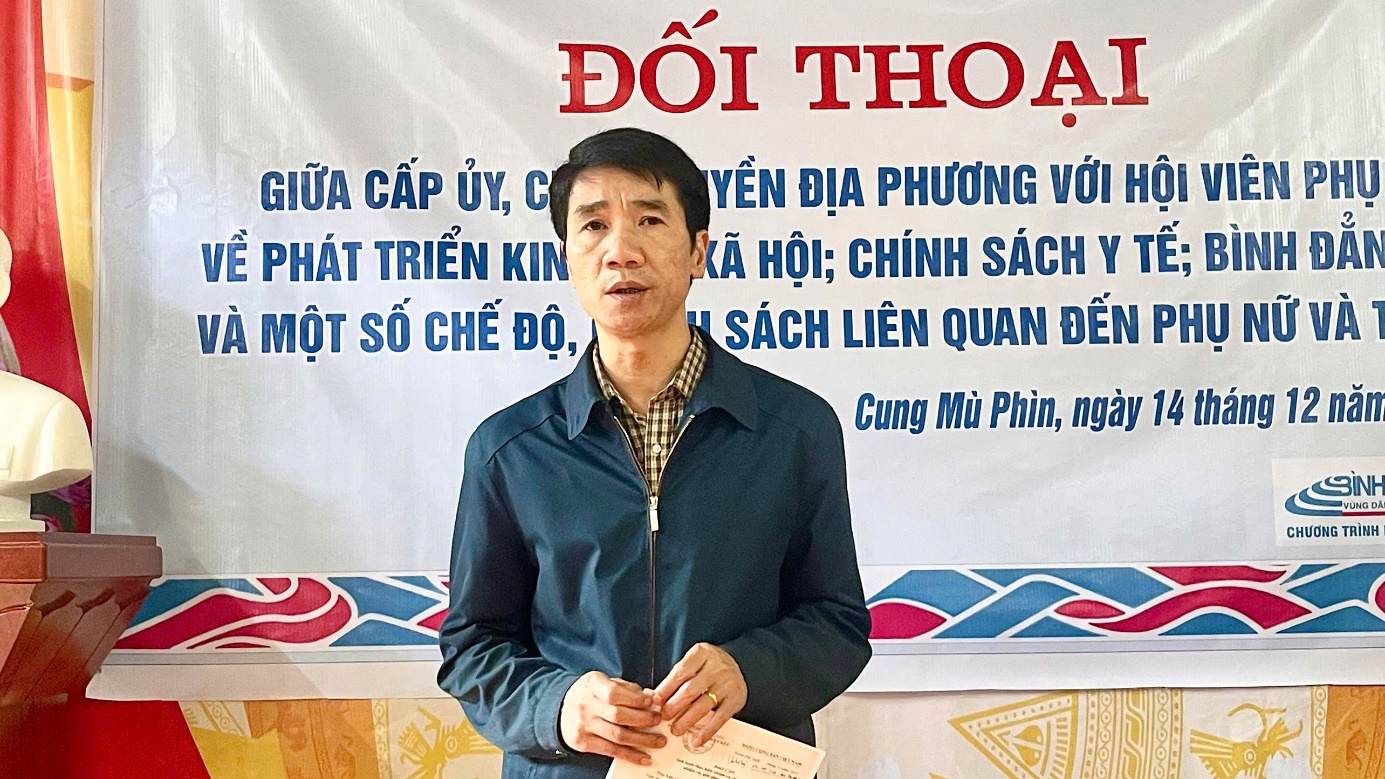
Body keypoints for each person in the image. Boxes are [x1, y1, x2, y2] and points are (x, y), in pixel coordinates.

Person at [438, 127, 871, 778]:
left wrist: (748, 670)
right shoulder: (509, 449)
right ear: (566, 256)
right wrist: (558, 705)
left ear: (698, 250)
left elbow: (835, 624)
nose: (620, 251)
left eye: (649, 219)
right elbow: (473, 647)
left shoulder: (794, 430)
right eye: (593, 226)